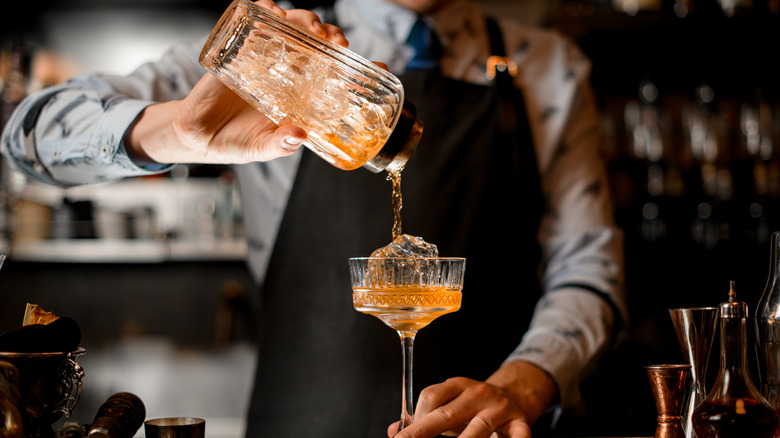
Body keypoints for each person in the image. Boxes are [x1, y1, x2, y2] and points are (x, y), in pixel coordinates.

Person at [1, 0, 627, 437]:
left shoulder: (549, 67)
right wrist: (180, 131)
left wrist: (526, 382)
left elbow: (590, 275)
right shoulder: (271, 53)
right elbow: (25, 136)